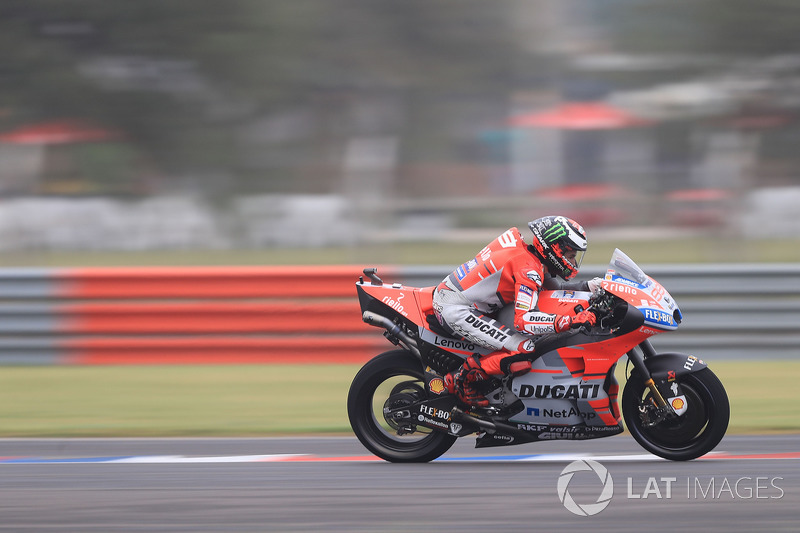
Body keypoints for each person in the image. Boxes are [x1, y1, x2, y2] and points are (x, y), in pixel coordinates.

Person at [431, 215, 602, 408]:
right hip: (456, 308)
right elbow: (524, 321)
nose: (572, 262)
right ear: (555, 249)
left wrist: (590, 287)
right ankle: (462, 379)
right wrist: (568, 321)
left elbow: (555, 289)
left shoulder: (529, 256)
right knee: (525, 348)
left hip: (458, 297)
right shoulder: (528, 269)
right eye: (571, 256)